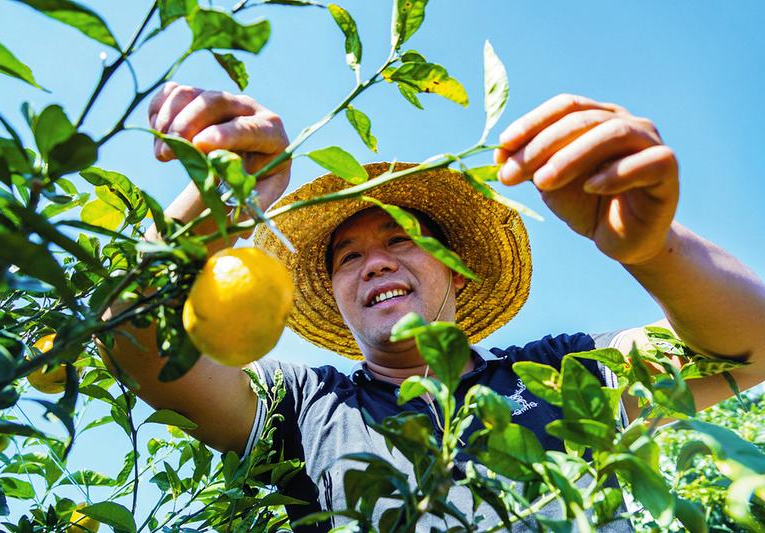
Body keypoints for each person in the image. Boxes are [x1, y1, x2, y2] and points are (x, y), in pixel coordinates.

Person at [103, 84, 765, 531]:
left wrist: (654, 249)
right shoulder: (302, 406)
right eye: (348, 257)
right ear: (333, 294)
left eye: (401, 239)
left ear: (453, 268)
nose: (377, 261)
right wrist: (213, 205)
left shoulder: (563, 371)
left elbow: (749, 347)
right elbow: (132, 344)